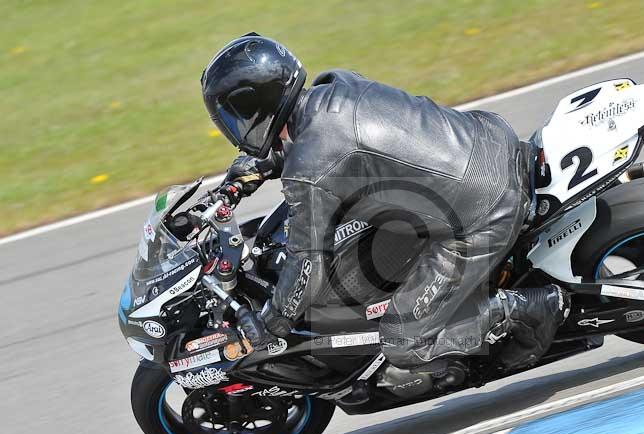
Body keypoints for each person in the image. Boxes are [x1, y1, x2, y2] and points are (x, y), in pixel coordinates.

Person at [201, 33, 569, 378]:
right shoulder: (336, 85)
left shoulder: (312, 167)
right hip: (489, 141)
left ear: (254, 105)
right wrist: (254, 173)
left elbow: (307, 264)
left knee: (403, 341)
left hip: (485, 211)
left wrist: (269, 326)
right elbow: (333, 147)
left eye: (233, 117)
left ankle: (530, 308)